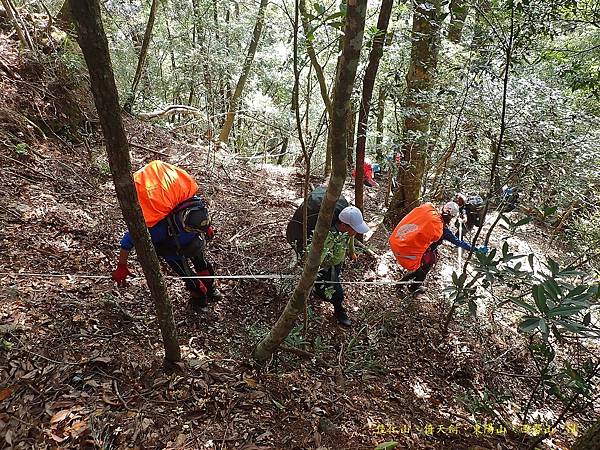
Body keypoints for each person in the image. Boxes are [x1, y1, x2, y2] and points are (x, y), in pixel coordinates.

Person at [111, 161, 221, 313]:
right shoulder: (188, 199)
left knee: (186, 274)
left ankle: (200, 299)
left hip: (174, 252)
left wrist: (121, 266)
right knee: (201, 263)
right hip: (196, 240)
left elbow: (127, 242)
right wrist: (207, 228)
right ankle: (212, 290)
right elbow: (201, 216)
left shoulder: (155, 226)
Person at [286, 187, 370, 326]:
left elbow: (349, 239)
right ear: (343, 225)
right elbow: (318, 260)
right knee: (337, 292)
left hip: (337, 261)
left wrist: (351, 251)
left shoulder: (346, 231)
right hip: (326, 265)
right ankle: (338, 309)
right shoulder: (328, 237)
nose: (355, 232)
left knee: (335, 276)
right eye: (354, 229)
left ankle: (323, 290)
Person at [390, 201, 488, 293]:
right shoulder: (442, 230)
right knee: (424, 269)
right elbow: (458, 242)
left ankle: (402, 284)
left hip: (408, 245)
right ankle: (413, 287)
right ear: (451, 217)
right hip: (424, 252)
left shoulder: (430, 213)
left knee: (422, 269)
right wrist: (475, 249)